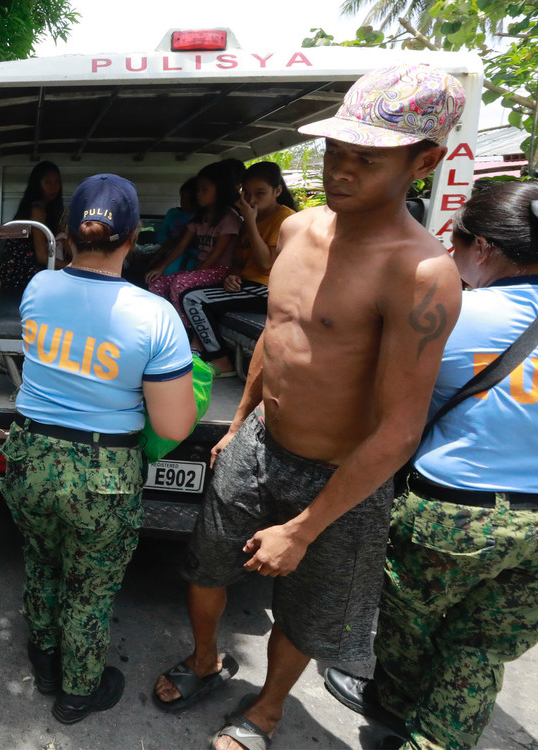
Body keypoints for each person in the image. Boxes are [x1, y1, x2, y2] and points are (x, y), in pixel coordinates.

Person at [150, 63, 466, 750]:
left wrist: (306, 527)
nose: (340, 170)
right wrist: (237, 425)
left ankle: (265, 710)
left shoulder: (420, 274)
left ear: (425, 161)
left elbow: (401, 428)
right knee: (204, 563)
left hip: (339, 476)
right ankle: (206, 659)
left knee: (309, 608)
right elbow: (276, 335)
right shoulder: (298, 233)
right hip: (261, 442)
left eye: (365, 158)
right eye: (334, 152)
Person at [324, 182, 538, 750]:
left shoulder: (456, 314)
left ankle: (393, 704)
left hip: (455, 513)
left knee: (409, 618)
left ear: (484, 248)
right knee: (481, 648)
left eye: (457, 240)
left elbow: (384, 402)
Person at [0, 174, 196, 725]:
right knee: (90, 585)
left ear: (66, 234)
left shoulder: (40, 289)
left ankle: (43, 661)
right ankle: (78, 690)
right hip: (102, 472)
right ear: (134, 237)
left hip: (29, 456)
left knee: (41, 560)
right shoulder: (155, 315)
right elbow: (174, 423)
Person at [181, 162, 297, 375]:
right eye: (247, 194)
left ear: (277, 191)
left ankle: (220, 360)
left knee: (193, 298)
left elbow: (265, 264)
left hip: (268, 289)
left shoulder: (285, 218)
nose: (251, 200)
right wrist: (232, 276)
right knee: (193, 294)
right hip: (248, 284)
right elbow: (239, 261)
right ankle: (198, 349)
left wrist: (250, 223)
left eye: (260, 193)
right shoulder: (249, 220)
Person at [144, 159, 245, 363]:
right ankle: (165, 330)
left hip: (220, 270)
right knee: (156, 284)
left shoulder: (230, 219)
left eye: (204, 189)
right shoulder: (200, 217)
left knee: (180, 283)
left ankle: (190, 337)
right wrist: (162, 266)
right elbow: (181, 245)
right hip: (202, 271)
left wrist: (193, 274)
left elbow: (217, 255)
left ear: (220, 190)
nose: (198, 194)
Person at [0, 160, 64, 294]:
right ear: (37, 184)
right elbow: (42, 257)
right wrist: (72, 266)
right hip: (20, 273)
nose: (53, 187)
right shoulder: (37, 209)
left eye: (57, 182)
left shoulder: (47, 210)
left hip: (25, 271)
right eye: (48, 182)